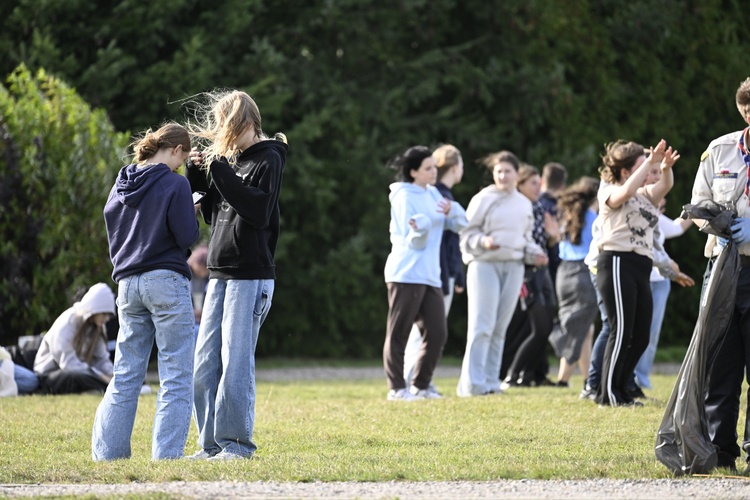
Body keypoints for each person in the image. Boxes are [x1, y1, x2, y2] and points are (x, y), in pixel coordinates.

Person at [186, 90, 288, 459]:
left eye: (227, 129)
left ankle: (236, 445)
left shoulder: (270, 158)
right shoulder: (233, 161)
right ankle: (211, 445)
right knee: (204, 363)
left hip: (250, 274)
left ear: (246, 122)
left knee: (235, 361)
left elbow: (257, 212)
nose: (223, 140)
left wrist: (220, 170)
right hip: (219, 272)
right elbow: (216, 216)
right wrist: (198, 174)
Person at [92, 122, 200, 461]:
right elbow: (186, 236)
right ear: (178, 151)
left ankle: (108, 457)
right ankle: (166, 457)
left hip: (127, 284)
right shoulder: (175, 183)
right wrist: (191, 211)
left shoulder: (123, 181)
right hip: (165, 280)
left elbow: (113, 222)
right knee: (176, 374)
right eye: (182, 159)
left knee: (125, 374)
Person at [690, 76, 750, 472]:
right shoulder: (721, 149)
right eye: (747, 108)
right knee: (721, 363)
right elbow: (698, 203)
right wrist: (716, 222)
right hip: (726, 266)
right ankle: (721, 450)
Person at [595, 138, 678, 407]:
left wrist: (664, 168)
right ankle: (607, 393)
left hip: (641, 265)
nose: (648, 172)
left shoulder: (645, 196)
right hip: (617, 260)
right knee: (621, 331)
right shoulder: (608, 190)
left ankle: (622, 388)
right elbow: (626, 192)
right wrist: (649, 164)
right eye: (642, 167)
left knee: (641, 335)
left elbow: (665, 186)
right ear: (625, 171)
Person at [457, 151, 547, 397]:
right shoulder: (483, 199)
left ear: (517, 174)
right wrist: (483, 241)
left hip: (514, 267)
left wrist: (536, 254)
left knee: (500, 327)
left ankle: (490, 382)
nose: (503, 176)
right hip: (484, 265)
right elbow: (466, 233)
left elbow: (525, 240)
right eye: (498, 171)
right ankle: (472, 386)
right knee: (482, 325)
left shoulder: (523, 203)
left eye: (507, 171)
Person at [383, 145, 467, 400]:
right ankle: (397, 389)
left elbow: (462, 222)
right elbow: (413, 241)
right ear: (413, 172)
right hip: (406, 274)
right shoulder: (403, 196)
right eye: (428, 168)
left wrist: (451, 210)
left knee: (438, 331)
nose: (434, 172)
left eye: (434, 167)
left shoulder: (432, 194)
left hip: (431, 274)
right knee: (399, 332)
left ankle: (420, 385)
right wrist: (424, 225)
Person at [500, 165, 559, 389]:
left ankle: (526, 376)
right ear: (520, 185)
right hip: (527, 273)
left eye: (539, 182)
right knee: (539, 328)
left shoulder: (536, 206)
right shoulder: (519, 207)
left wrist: (553, 237)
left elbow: (546, 242)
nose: (538, 187)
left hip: (541, 272)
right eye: (533, 183)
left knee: (543, 327)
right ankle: (512, 375)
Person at [633, 198, 694, 390]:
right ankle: (624, 378)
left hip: (660, 282)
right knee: (630, 331)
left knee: (651, 335)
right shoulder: (633, 213)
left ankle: (641, 380)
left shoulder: (658, 218)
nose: (664, 198)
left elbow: (678, 227)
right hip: (637, 278)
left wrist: (699, 205)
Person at [550, 176, 600, 388]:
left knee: (584, 328)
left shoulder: (568, 216)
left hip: (564, 273)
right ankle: (563, 375)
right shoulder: (594, 217)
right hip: (584, 271)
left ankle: (582, 378)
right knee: (577, 328)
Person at [34, 283, 116, 394]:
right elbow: (68, 363)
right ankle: (103, 388)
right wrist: (102, 377)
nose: (106, 318)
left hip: (82, 372)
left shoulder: (98, 327)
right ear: (94, 309)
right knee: (75, 375)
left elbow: (101, 359)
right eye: (103, 314)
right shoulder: (68, 321)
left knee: (85, 376)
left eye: (108, 315)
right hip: (50, 375)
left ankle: (110, 388)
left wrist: (115, 376)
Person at [539, 162, 568, 284]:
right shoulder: (563, 208)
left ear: (542, 181)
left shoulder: (532, 203)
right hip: (555, 262)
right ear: (562, 186)